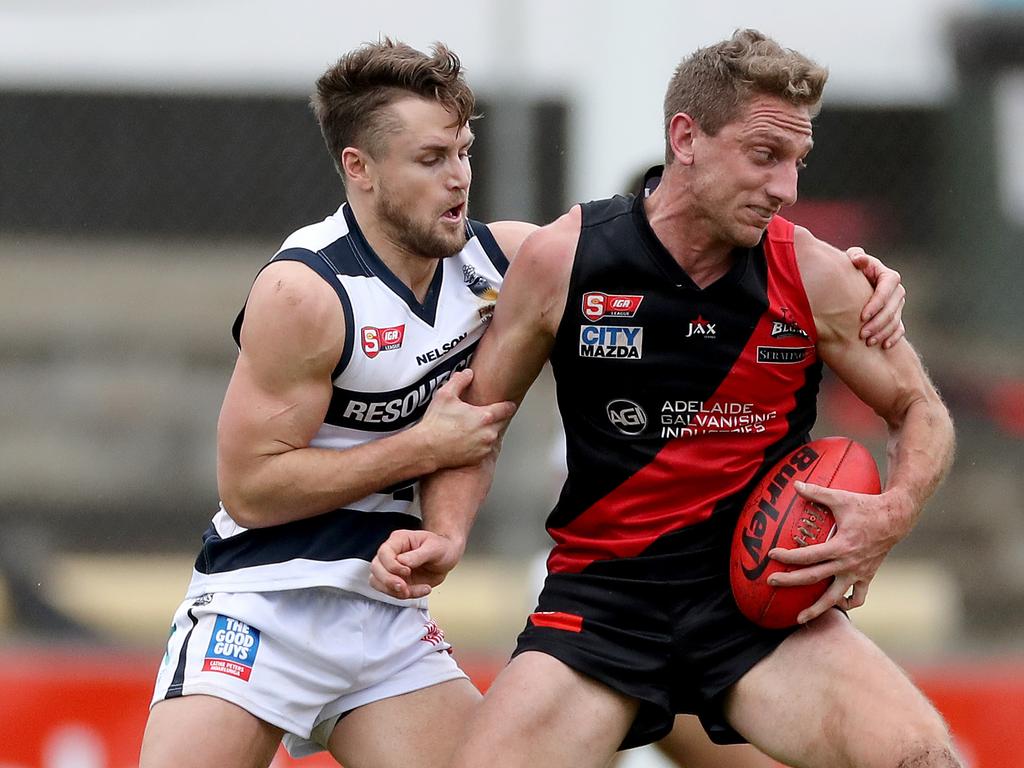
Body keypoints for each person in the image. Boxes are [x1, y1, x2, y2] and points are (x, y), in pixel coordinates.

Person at [139, 37, 905, 768]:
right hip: (265, 604)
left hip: (385, 620)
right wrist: (421, 448)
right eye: (431, 159)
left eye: (464, 153)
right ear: (359, 168)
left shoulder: (502, 258)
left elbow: (643, 250)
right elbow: (251, 489)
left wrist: (858, 278)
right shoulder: (305, 291)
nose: (459, 178)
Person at [372, 28, 959, 768]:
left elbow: (922, 409)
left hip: (761, 609)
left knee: (923, 760)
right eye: (764, 156)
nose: (787, 188)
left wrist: (893, 512)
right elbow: (478, 418)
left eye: (797, 162)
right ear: (686, 137)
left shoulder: (818, 276)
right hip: (603, 605)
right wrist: (449, 532)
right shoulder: (566, 259)